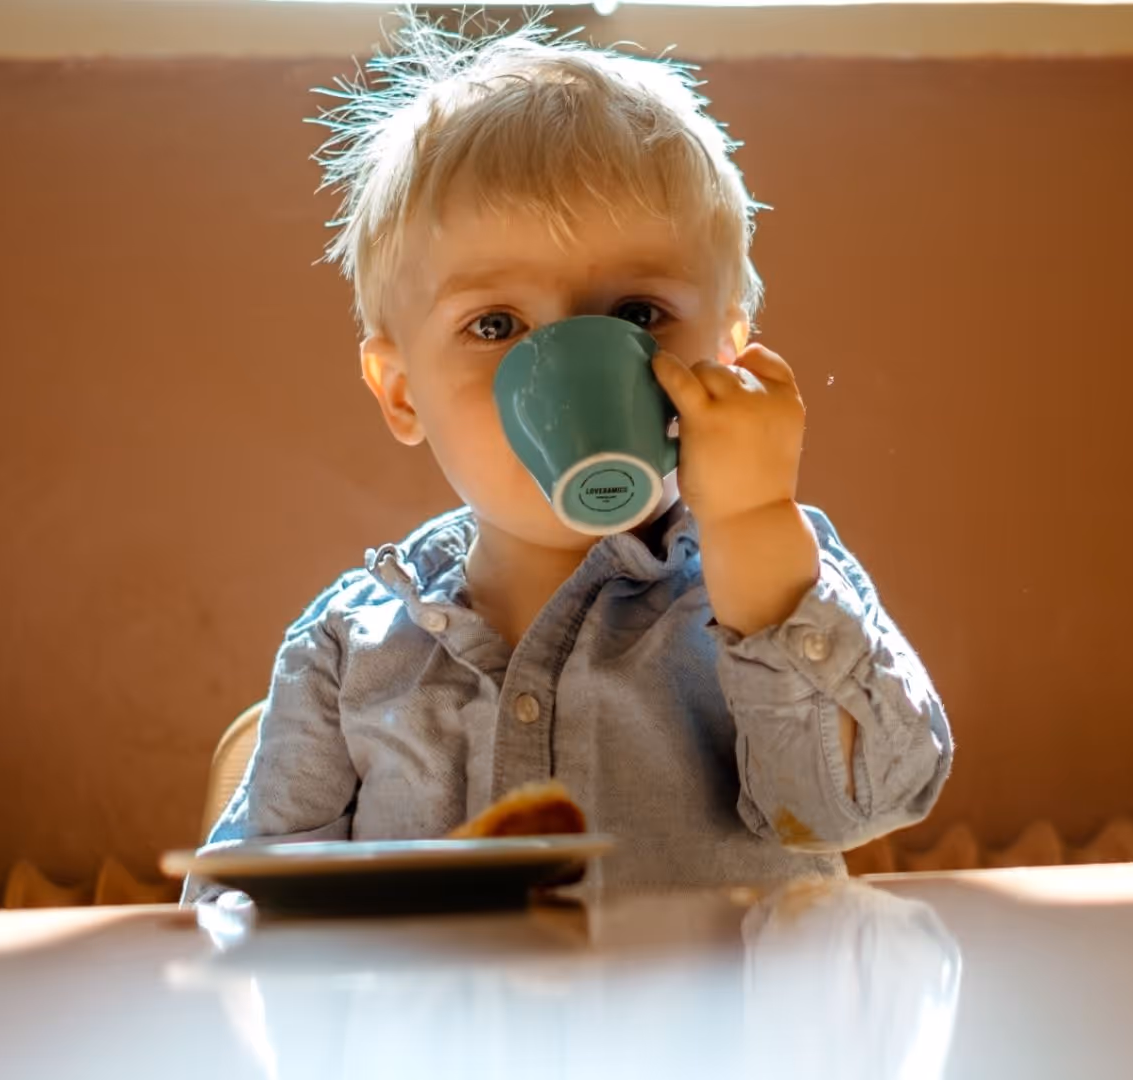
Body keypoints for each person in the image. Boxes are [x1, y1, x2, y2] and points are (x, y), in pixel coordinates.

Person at [188, 15, 951, 896]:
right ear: (402, 393)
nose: (568, 374)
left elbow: (856, 803)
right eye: (495, 326)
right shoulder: (348, 652)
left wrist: (751, 523)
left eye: (635, 316)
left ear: (725, 359)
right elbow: (244, 919)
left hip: (717, 1036)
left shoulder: (778, 571)